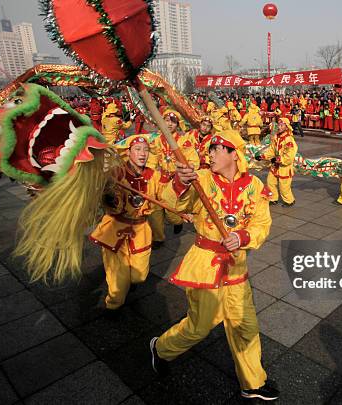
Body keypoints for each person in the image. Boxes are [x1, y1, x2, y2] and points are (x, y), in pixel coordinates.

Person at [149, 129, 279, 401]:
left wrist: (243, 237)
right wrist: (180, 183)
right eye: (209, 150)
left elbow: (261, 224)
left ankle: (252, 383)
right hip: (205, 265)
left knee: (245, 326)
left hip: (236, 266)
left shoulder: (255, 186)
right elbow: (173, 204)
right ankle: (160, 348)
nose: (210, 154)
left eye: (217, 149)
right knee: (199, 326)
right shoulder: (203, 179)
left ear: (234, 154)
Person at [89, 135, 161, 311]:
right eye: (137, 149)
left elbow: (166, 197)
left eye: (145, 150)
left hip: (141, 230)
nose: (142, 154)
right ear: (128, 152)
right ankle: (113, 305)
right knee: (118, 281)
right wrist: (108, 192)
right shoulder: (116, 174)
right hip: (115, 229)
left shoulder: (154, 175)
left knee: (140, 276)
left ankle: (129, 283)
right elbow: (108, 203)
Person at [147, 109, 199, 246]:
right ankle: (158, 238)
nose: (169, 124)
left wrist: (187, 169)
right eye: (166, 120)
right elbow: (152, 158)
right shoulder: (157, 140)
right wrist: (150, 172)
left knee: (173, 212)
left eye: (173, 121)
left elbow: (192, 159)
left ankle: (178, 221)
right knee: (155, 208)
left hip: (175, 181)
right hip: (160, 178)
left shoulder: (183, 141)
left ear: (178, 124)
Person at [255, 117, 298, 207]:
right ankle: (273, 199)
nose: (279, 127)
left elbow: (290, 155)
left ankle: (289, 201)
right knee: (270, 181)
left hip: (284, 167)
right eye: (279, 125)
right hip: (275, 166)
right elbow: (271, 150)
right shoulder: (276, 137)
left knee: (284, 186)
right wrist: (263, 156)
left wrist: (280, 159)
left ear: (286, 127)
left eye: (281, 125)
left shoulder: (289, 140)